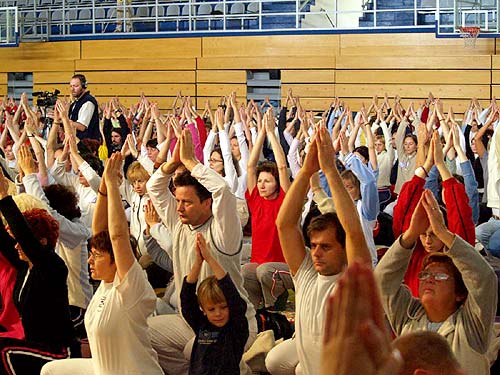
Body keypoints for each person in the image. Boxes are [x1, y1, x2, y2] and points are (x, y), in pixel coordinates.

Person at [41, 152, 164, 375]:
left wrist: (112, 186)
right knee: (50, 370)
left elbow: (118, 237)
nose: (90, 259)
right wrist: (104, 189)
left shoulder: (130, 286)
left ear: (116, 261)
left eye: (96, 256)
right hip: (103, 369)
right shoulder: (105, 285)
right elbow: (100, 232)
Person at [146, 128, 256, 375]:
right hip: (194, 319)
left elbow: (222, 191)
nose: (180, 208)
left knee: (197, 350)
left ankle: (244, 368)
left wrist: (192, 163)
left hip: (230, 323)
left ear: (206, 203)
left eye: (187, 202)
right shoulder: (179, 221)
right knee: (145, 335)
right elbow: (154, 187)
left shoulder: (223, 230)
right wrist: (172, 163)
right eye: (178, 201)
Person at [269, 124, 372, 375]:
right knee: (277, 363)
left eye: (326, 247)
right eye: (314, 246)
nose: (316, 253)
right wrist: (305, 171)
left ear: (343, 249)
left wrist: (329, 170)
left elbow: (353, 232)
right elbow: (285, 225)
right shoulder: (306, 273)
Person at [374, 189, 497, 375]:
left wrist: (443, 232)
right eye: (424, 275)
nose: (429, 280)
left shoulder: (471, 327)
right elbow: (382, 280)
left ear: (460, 293)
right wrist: (411, 233)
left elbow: (484, 279)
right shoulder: (408, 317)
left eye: (440, 276)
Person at [0, 168, 78, 374]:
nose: (16, 246)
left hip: (59, 350)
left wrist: (4, 196)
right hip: (33, 345)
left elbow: (25, 237)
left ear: (42, 242)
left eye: (21, 242)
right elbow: (10, 240)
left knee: (3, 351)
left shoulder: (52, 266)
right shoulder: (25, 266)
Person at [19, 144, 92, 339]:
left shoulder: (76, 231)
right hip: (62, 303)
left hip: (79, 311)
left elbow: (47, 213)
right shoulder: (68, 227)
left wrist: (29, 174)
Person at [243, 108, 293, 311]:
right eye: (260, 181)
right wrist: (261, 132)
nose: (262, 185)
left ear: (276, 184)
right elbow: (250, 167)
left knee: (264, 271)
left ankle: (274, 306)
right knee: (245, 271)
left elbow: (282, 167)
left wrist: (272, 133)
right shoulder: (255, 199)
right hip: (260, 264)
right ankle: (256, 311)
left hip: (284, 266)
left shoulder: (284, 200)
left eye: (267, 181)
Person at [181, 232, 249, 375]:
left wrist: (210, 259)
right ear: (203, 310)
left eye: (223, 307)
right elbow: (186, 299)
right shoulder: (201, 325)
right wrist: (198, 263)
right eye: (211, 309)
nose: (218, 313)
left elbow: (233, 297)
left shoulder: (236, 328)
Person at [68, 74, 100, 141]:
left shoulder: (88, 102)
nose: (72, 89)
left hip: (86, 145)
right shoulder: (76, 102)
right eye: (71, 86)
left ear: (84, 86)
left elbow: (82, 127)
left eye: (76, 86)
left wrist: (63, 120)